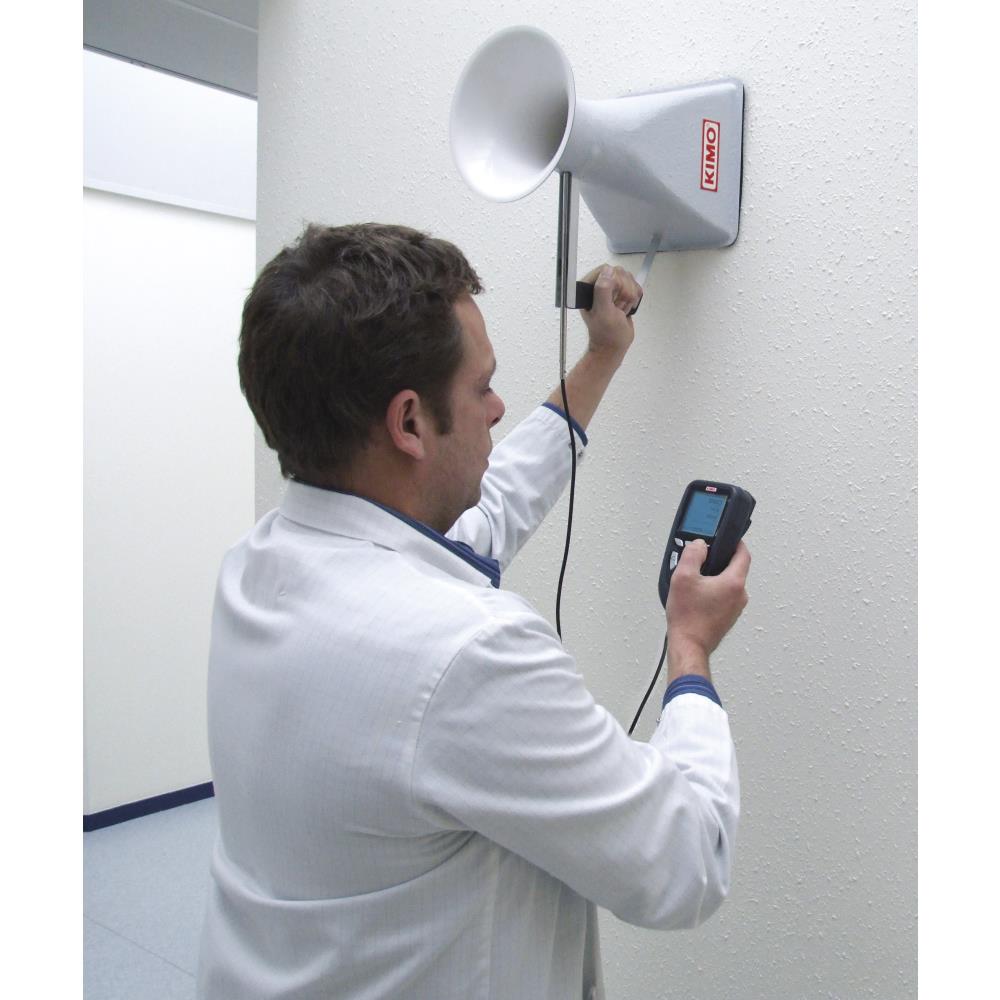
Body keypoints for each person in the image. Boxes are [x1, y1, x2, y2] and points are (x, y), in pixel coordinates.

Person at [196, 223, 751, 1000]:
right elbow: (685, 861)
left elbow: (484, 511)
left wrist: (601, 357)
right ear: (409, 423)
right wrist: (689, 650)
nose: (497, 408)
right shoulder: (467, 654)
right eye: (482, 386)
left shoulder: (259, 565)